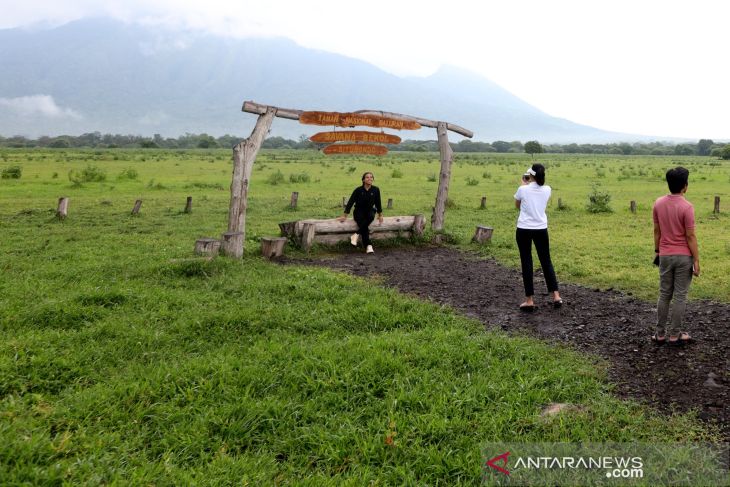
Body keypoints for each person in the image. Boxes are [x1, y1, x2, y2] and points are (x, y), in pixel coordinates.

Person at [652, 166, 700, 344]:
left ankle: (660, 334)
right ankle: (675, 335)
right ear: (685, 186)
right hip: (683, 257)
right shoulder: (687, 207)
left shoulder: (658, 203)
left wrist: (658, 251)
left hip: (664, 254)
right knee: (680, 296)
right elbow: (690, 236)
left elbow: (657, 231)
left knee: (664, 294)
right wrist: (696, 260)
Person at [514, 163, 562, 311]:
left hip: (524, 228)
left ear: (531, 175)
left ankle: (529, 300)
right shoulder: (547, 189)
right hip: (541, 228)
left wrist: (524, 184)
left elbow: (517, 205)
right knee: (546, 260)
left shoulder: (523, 189)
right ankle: (556, 296)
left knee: (526, 261)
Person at [337, 171, 383, 254]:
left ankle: (356, 234)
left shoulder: (376, 189)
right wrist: (345, 215)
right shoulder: (358, 190)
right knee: (364, 227)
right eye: (367, 177)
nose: (370, 178)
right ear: (363, 180)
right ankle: (368, 246)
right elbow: (350, 203)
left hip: (369, 211)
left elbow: (378, 203)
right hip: (359, 211)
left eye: (371, 177)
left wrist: (380, 215)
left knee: (371, 216)